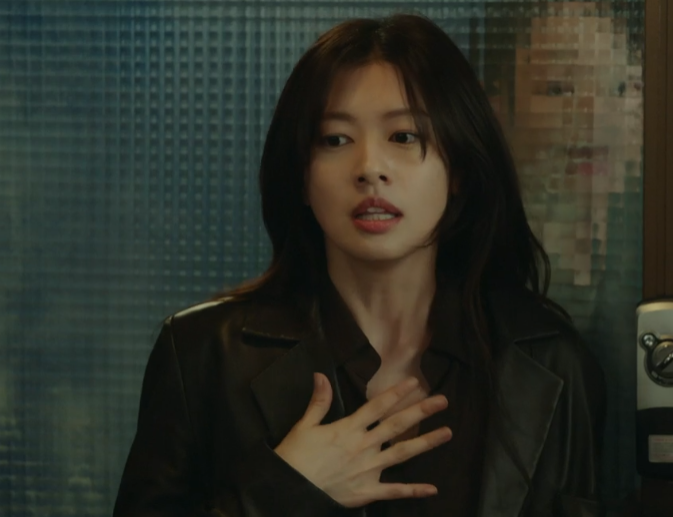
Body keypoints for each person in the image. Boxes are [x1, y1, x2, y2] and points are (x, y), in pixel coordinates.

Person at [113, 13, 606, 517]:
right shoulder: (202, 354)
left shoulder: (548, 362)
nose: (370, 168)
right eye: (335, 139)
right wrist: (282, 493)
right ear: (301, 178)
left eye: (404, 136)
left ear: (458, 168)